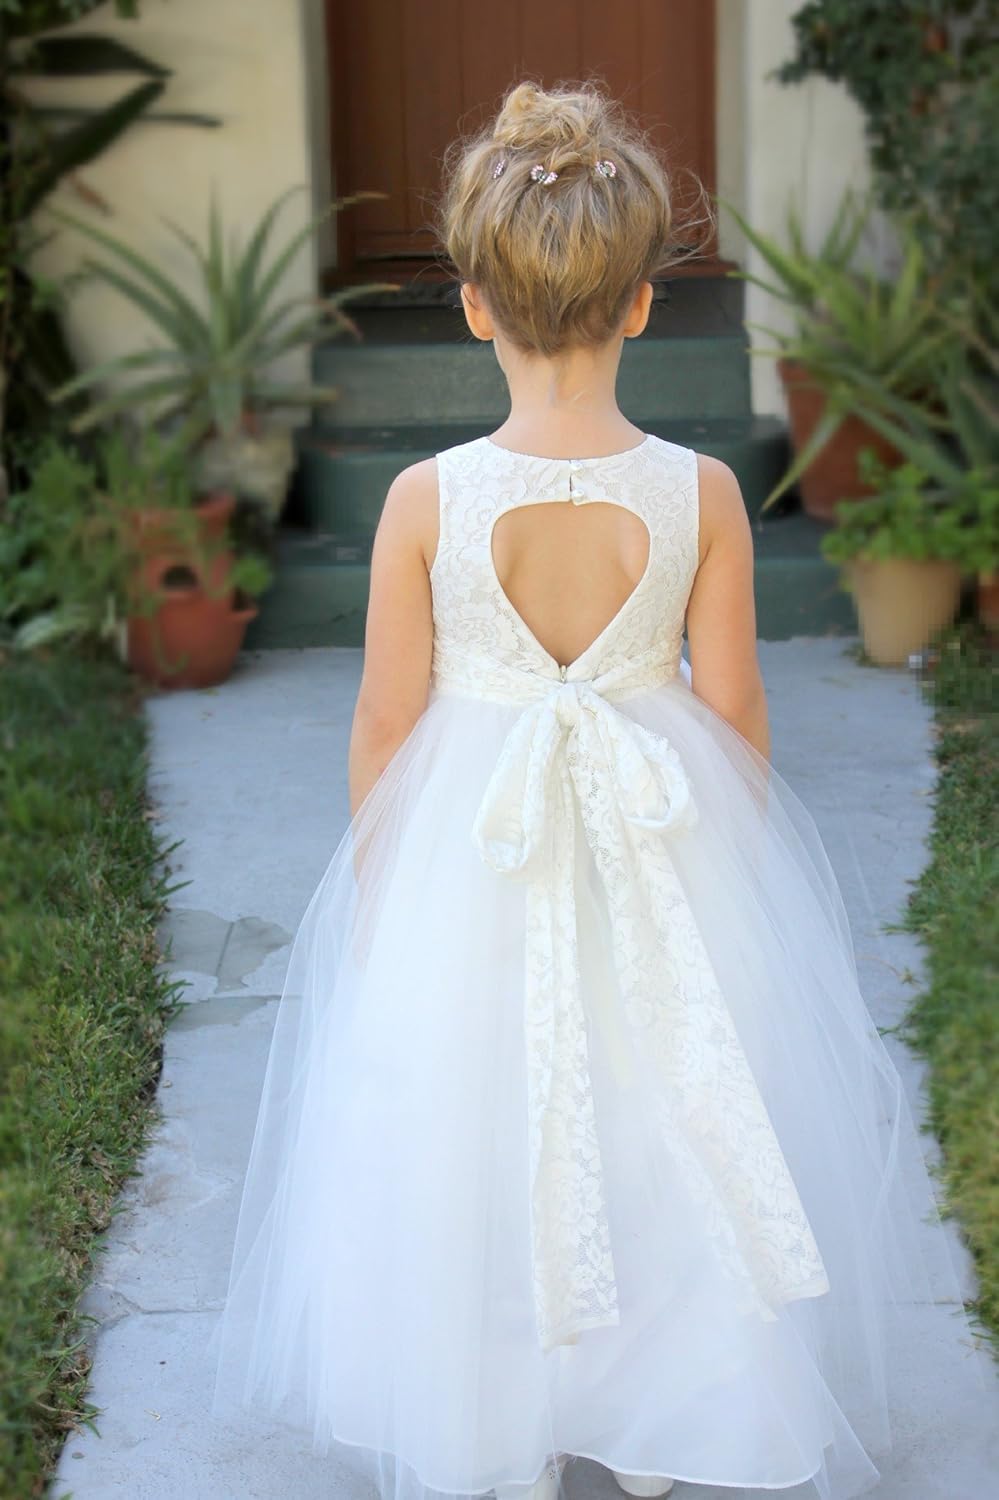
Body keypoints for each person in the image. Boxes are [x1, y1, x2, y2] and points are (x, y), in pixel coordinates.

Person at [209, 80, 975, 1500]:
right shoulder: (701, 493)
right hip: (653, 837)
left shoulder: (425, 501)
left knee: (475, 1116)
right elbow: (734, 707)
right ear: (639, 305)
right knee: (657, 1108)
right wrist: (725, 880)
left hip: (470, 850)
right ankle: (672, 1409)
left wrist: (392, 895)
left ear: (472, 306)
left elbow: (384, 724)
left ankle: (493, 1398)